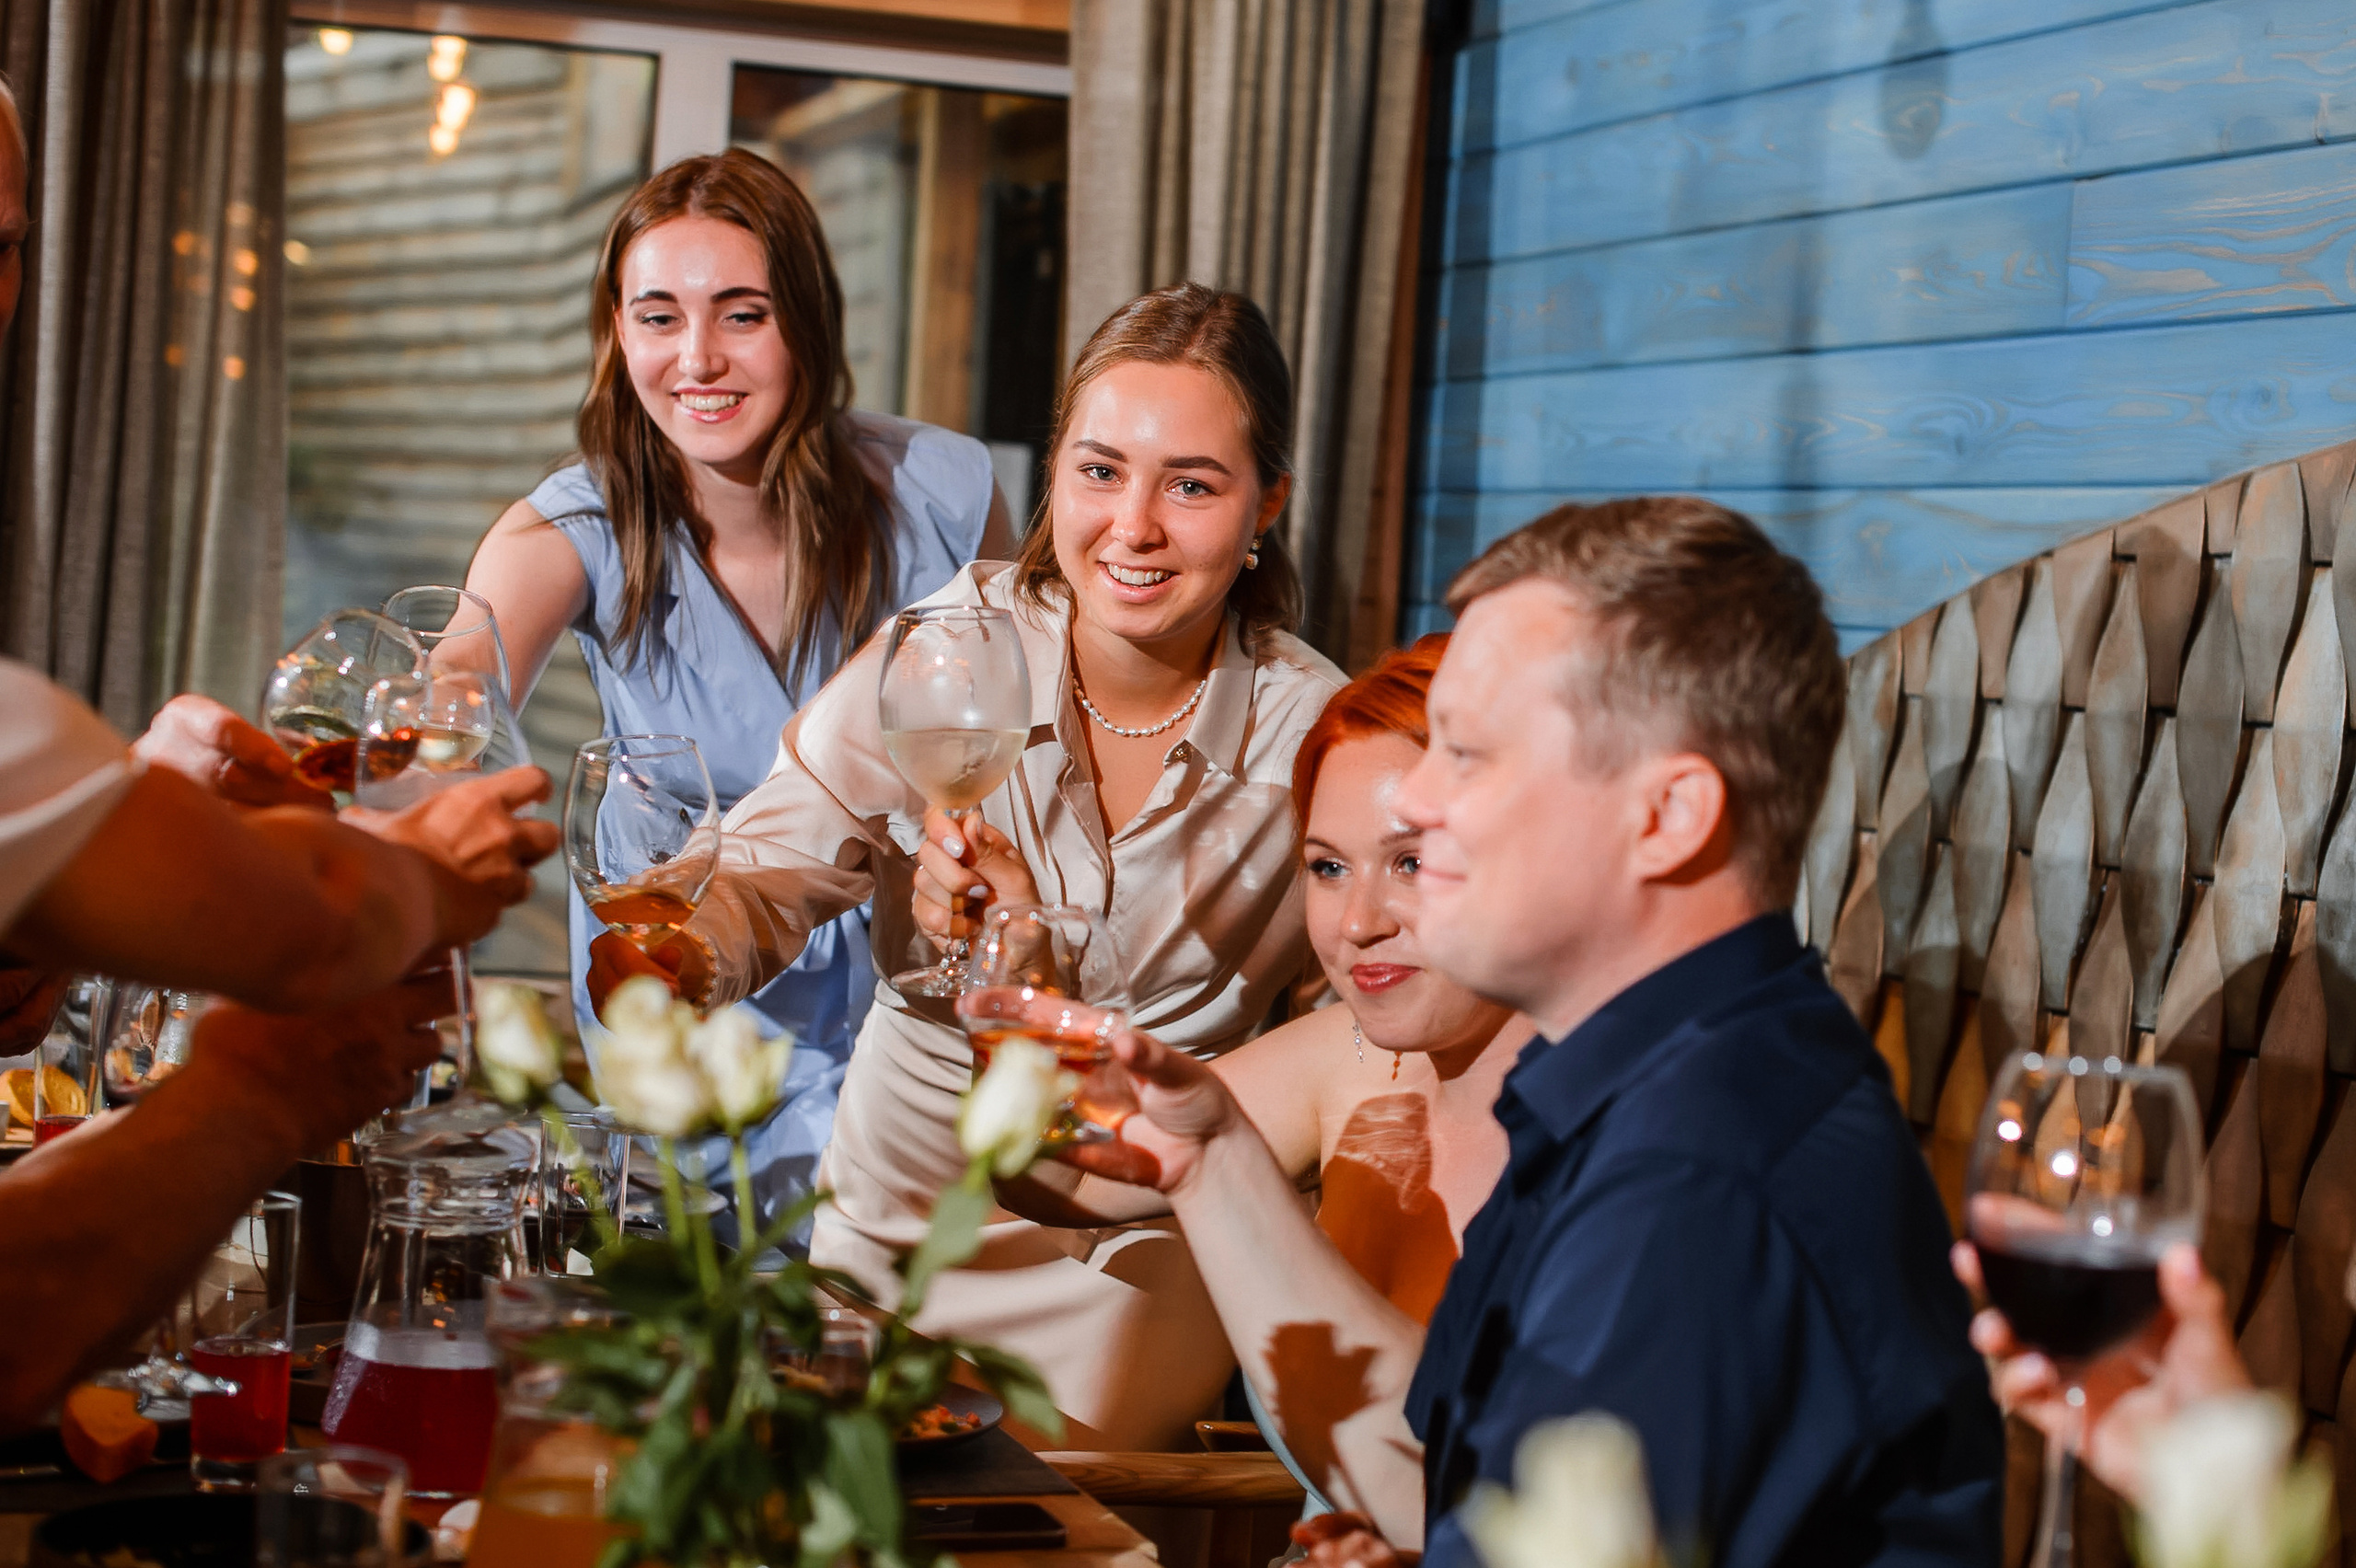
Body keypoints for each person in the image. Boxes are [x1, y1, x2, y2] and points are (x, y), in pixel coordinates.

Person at [976, 497, 2007, 1565]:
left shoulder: (1699, 1176)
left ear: (1667, 817)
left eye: (1468, 754)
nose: (1417, 799)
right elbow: (1449, 1475)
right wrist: (1210, 1161)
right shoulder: (1631, 1085)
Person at [591, 282, 1344, 1449]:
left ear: (1266, 507)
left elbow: (1363, 1022)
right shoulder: (954, 648)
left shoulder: (1316, 740)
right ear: (1055, 476)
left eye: (1189, 484)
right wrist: (675, 956)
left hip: (1137, 1259)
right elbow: (775, 857)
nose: (1132, 527)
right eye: (1099, 471)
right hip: (899, 1220)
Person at [464, 147, 1011, 1227]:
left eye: (742, 314)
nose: (697, 359)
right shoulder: (567, 531)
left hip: (908, 1018)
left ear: (805, 322)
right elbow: (446, 709)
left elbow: (1023, 750)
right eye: (657, 316)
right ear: (616, 334)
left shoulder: (943, 496)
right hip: (687, 1031)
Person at [991, 636, 1527, 1502]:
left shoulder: (1629, 1127)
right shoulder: (1347, 1055)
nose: (1357, 922)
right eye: (1327, 867)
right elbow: (1051, 1175)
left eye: (1411, 863)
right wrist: (1016, 964)